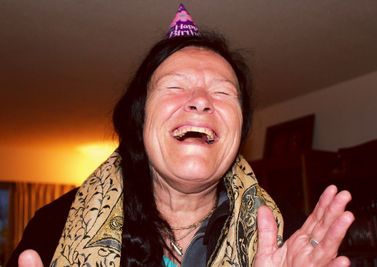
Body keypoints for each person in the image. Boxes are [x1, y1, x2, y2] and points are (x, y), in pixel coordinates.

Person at [7, 4, 354, 267]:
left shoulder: (291, 236)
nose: (202, 101)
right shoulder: (52, 228)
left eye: (223, 93)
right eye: (175, 86)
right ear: (140, 119)